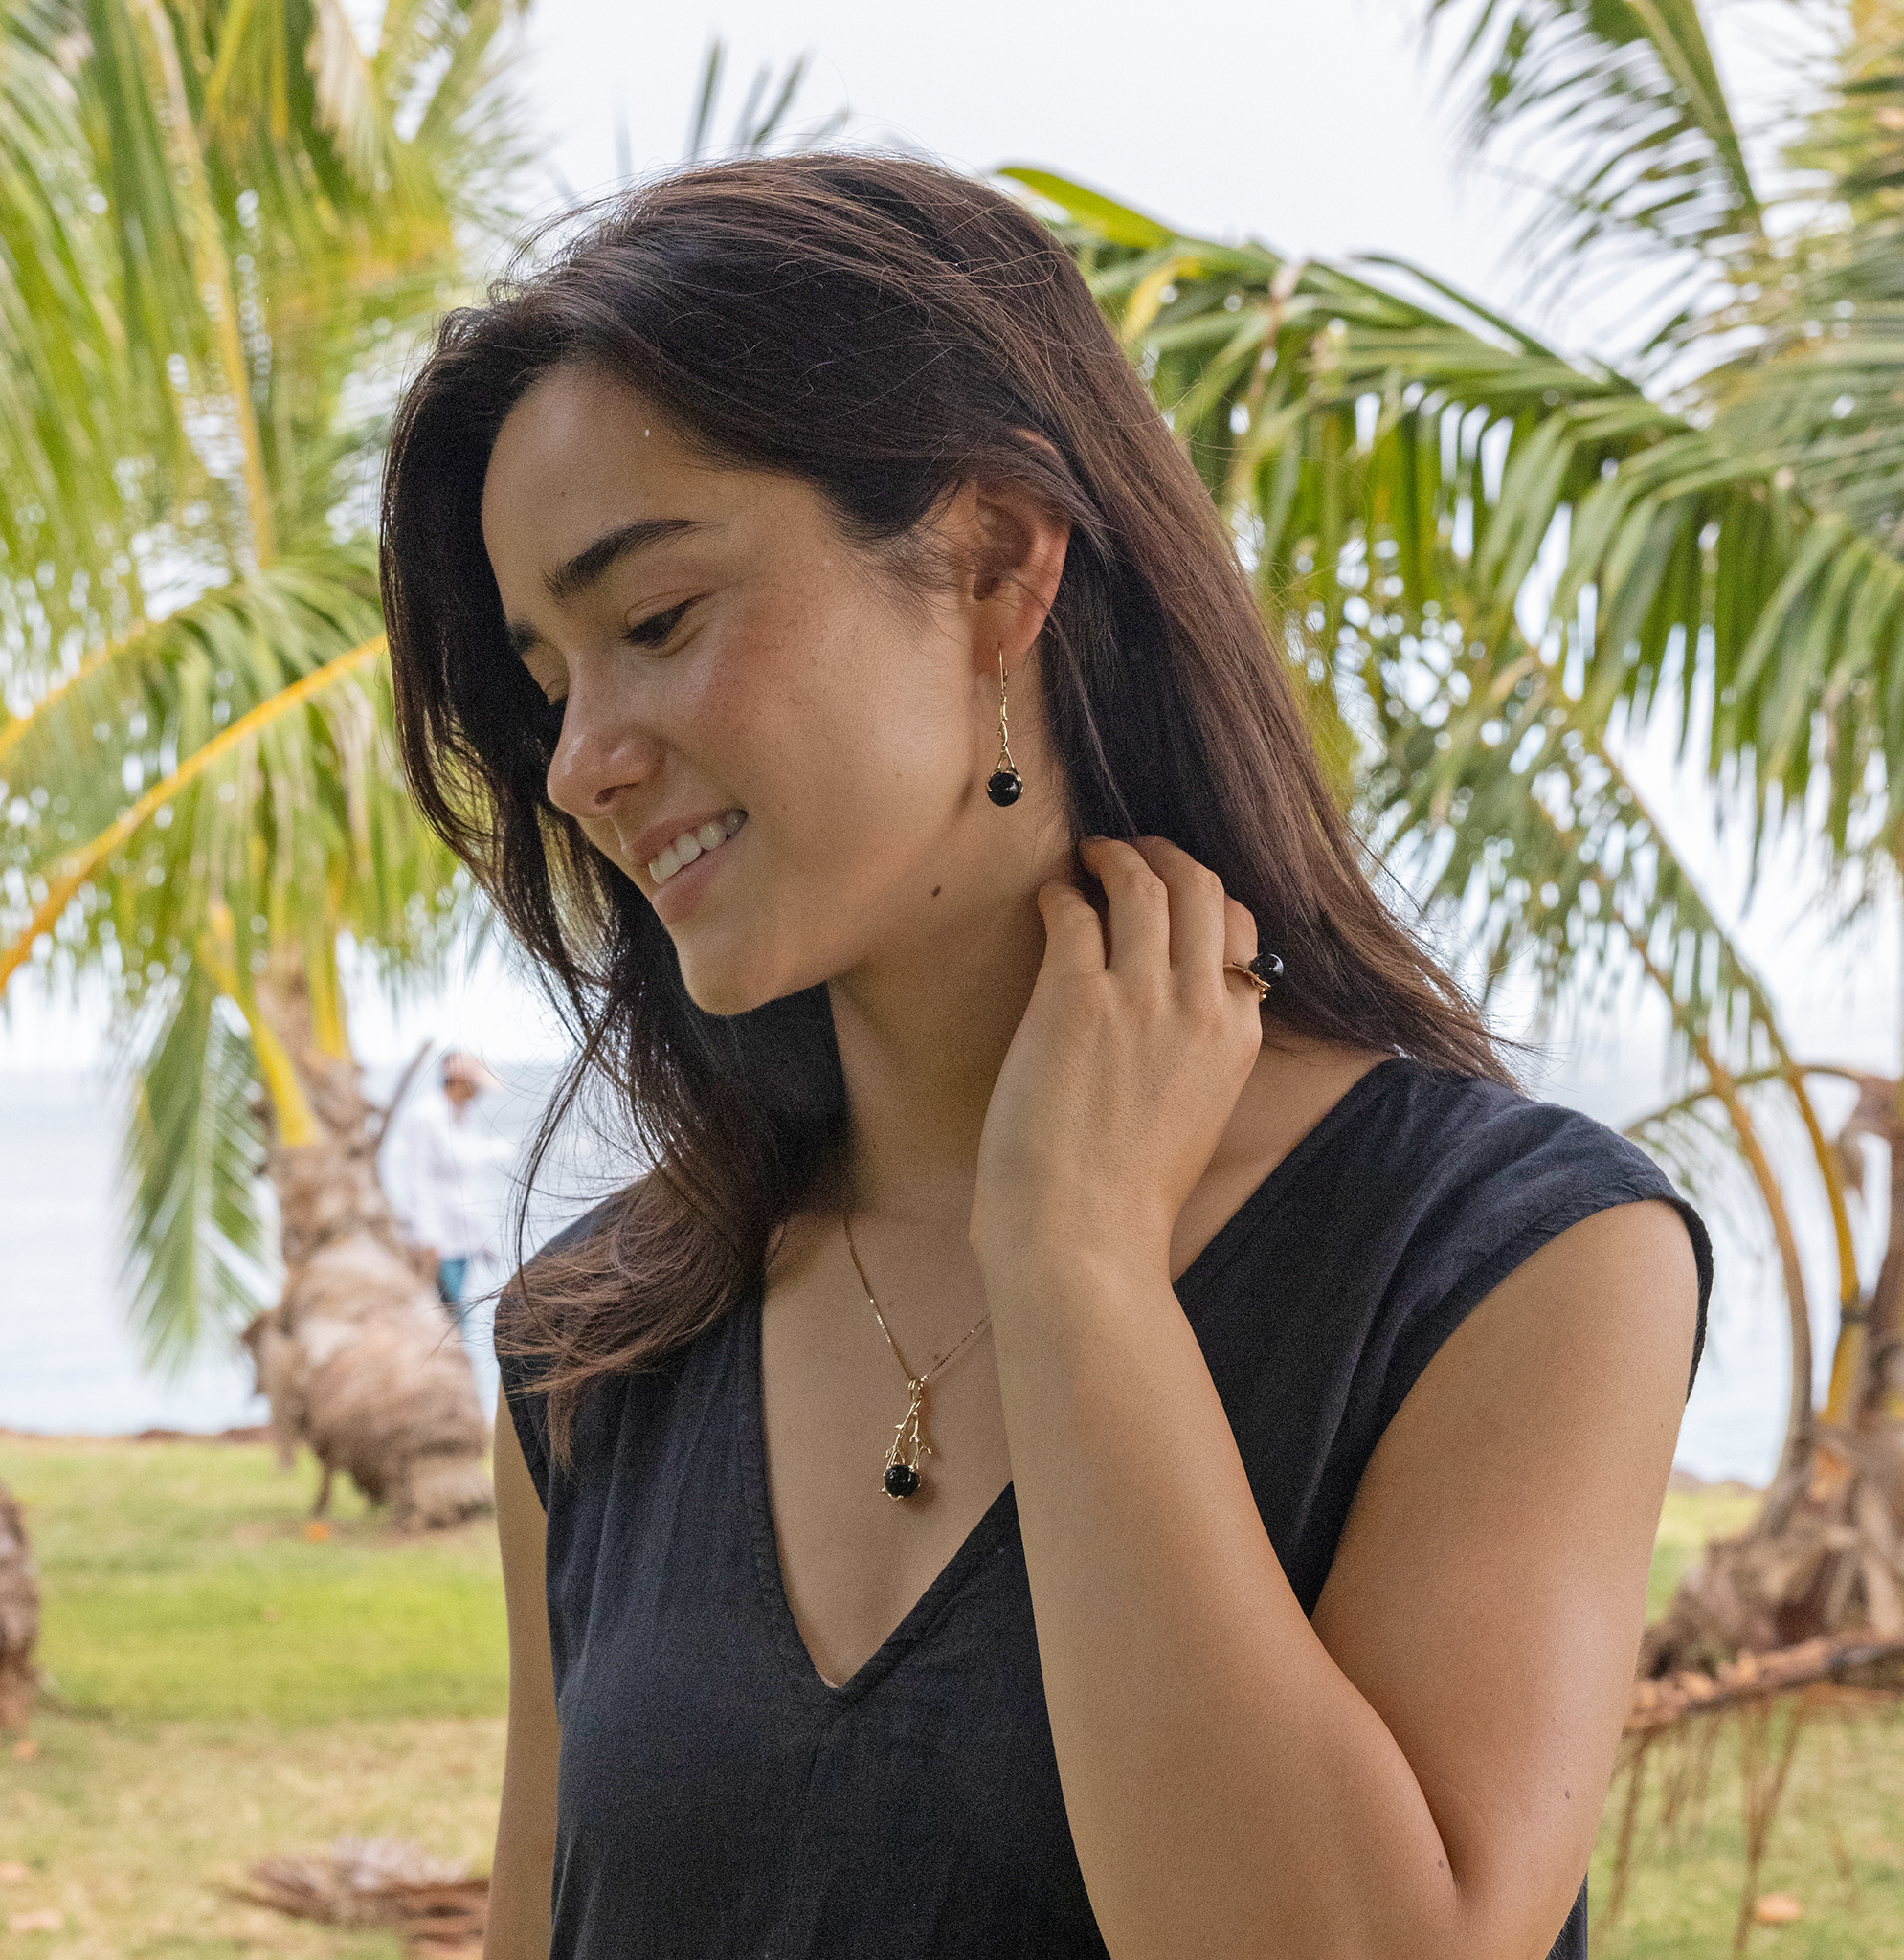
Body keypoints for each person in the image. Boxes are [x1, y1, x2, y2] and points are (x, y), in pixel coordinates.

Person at [380, 154, 1709, 1960]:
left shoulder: (1512, 1262)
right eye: (548, 682)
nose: (577, 762)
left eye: (658, 622)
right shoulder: (599, 1346)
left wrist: (1077, 1264)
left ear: (998, 562)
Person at [393, 1051, 513, 1318]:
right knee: (452, 1315)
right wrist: (427, 1236)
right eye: (475, 1086)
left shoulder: (462, 1116)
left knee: (459, 1311)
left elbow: (466, 1184)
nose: (478, 1093)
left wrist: (484, 1239)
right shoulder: (427, 1116)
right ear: (458, 1082)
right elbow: (418, 1178)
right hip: (438, 1237)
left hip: (462, 1235)